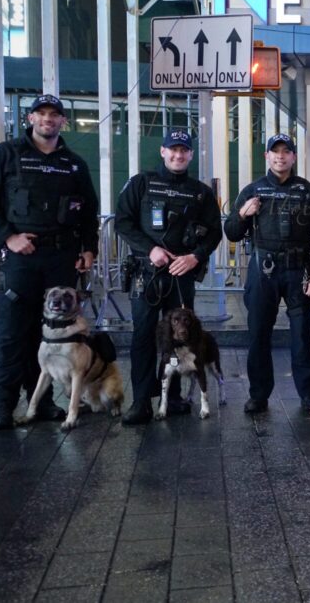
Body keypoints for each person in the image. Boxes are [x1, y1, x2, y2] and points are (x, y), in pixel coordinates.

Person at [0, 93, 100, 430]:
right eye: (41, 114)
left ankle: (41, 402)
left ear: (63, 121)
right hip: (19, 259)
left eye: (54, 115)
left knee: (49, 336)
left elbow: (88, 211)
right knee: (12, 333)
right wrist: (8, 237)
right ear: (30, 119)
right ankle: (2, 406)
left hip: (60, 259)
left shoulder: (74, 163)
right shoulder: (6, 155)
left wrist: (90, 248)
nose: (48, 119)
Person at [115, 130, 222, 425]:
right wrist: (150, 249)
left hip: (181, 275)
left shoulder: (200, 192)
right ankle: (141, 401)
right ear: (162, 151)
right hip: (146, 274)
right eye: (172, 150)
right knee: (144, 336)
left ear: (190, 155)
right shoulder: (142, 183)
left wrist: (195, 257)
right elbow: (122, 222)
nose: (178, 155)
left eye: (184, 151)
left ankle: (172, 397)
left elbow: (215, 232)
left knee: (179, 339)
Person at [224, 133, 310, 414]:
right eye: (275, 152)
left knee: (302, 336)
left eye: (286, 151)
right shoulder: (252, 191)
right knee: (258, 334)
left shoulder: (309, 192)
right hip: (263, 272)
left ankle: (309, 395)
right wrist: (243, 214)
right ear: (267, 157)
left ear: (294, 157)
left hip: (300, 273)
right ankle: (258, 395)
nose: (281, 156)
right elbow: (231, 232)